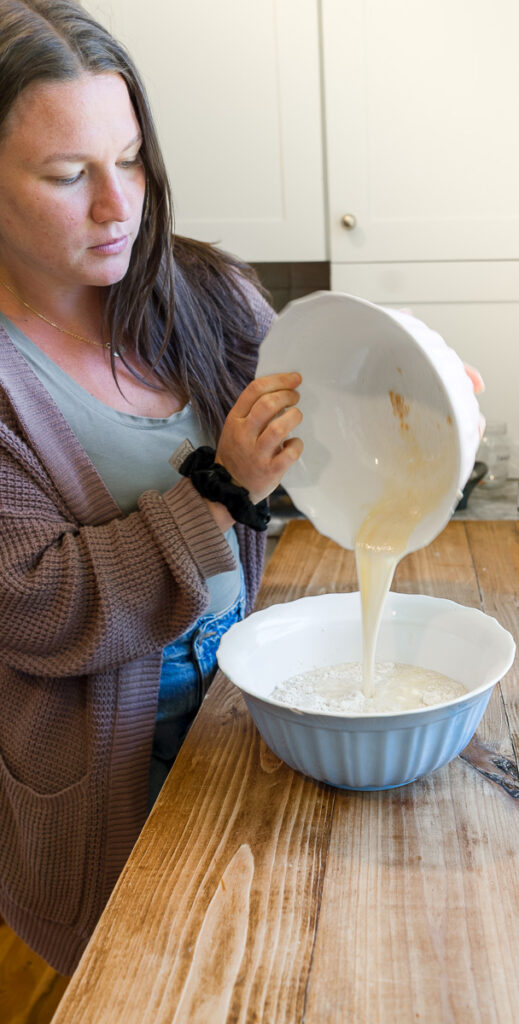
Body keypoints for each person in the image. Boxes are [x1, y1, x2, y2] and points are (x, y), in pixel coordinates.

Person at [0, 0, 303, 975]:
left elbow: (309, 428)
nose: (116, 206)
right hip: (101, 781)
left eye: (129, 158)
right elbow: (33, 604)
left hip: (242, 723)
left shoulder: (205, 292)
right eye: (66, 175)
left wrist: (407, 387)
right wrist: (219, 489)